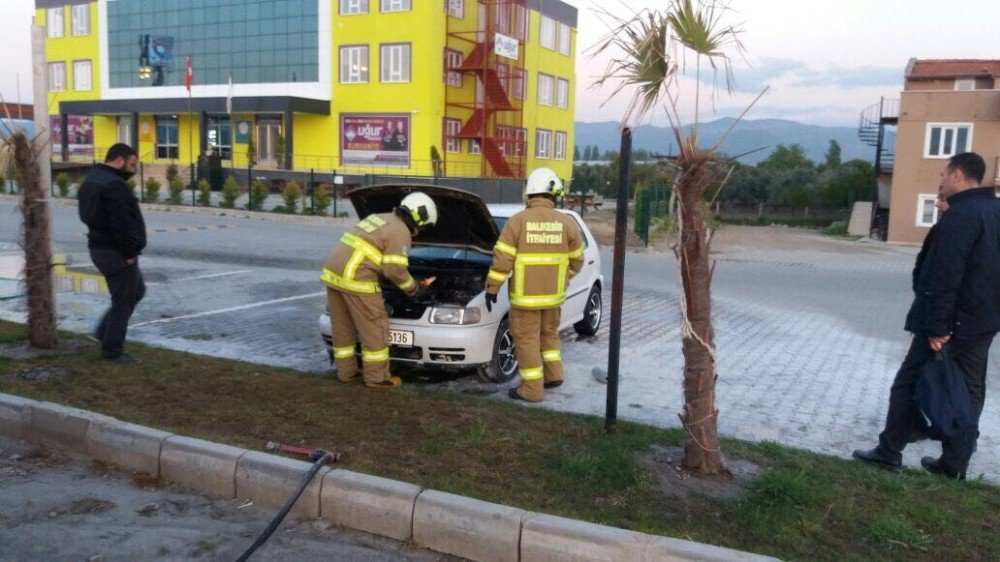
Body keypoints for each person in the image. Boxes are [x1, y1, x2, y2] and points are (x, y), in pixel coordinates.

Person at [854, 152, 1000, 479]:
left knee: (907, 383)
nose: (941, 180)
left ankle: (889, 452)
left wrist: (937, 326)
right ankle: (954, 465)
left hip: (949, 325)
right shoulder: (993, 211)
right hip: (982, 324)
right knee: (970, 391)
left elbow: (944, 274)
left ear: (959, 176)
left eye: (944, 175)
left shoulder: (962, 216)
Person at [485, 168, 584, 402]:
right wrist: (561, 278)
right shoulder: (566, 223)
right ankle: (553, 375)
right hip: (553, 298)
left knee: (527, 340)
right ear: (553, 194)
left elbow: (502, 262)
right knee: (549, 335)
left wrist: (492, 289)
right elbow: (577, 259)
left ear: (529, 193)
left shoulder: (517, 222)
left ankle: (531, 389)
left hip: (525, 299)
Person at [321, 192, 436, 388]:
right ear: (421, 217)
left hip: (333, 275)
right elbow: (394, 271)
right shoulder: (401, 231)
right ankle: (377, 378)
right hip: (357, 280)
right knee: (376, 327)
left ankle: (346, 372)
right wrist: (415, 289)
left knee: (343, 328)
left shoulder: (379, 217)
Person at [77, 143, 147, 363]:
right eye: (132, 164)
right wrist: (129, 252)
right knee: (124, 299)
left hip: (98, 248)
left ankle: (102, 333)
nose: (133, 170)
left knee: (136, 290)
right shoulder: (115, 186)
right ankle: (112, 351)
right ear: (119, 161)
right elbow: (121, 224)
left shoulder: (92, 179)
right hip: (116, 252)